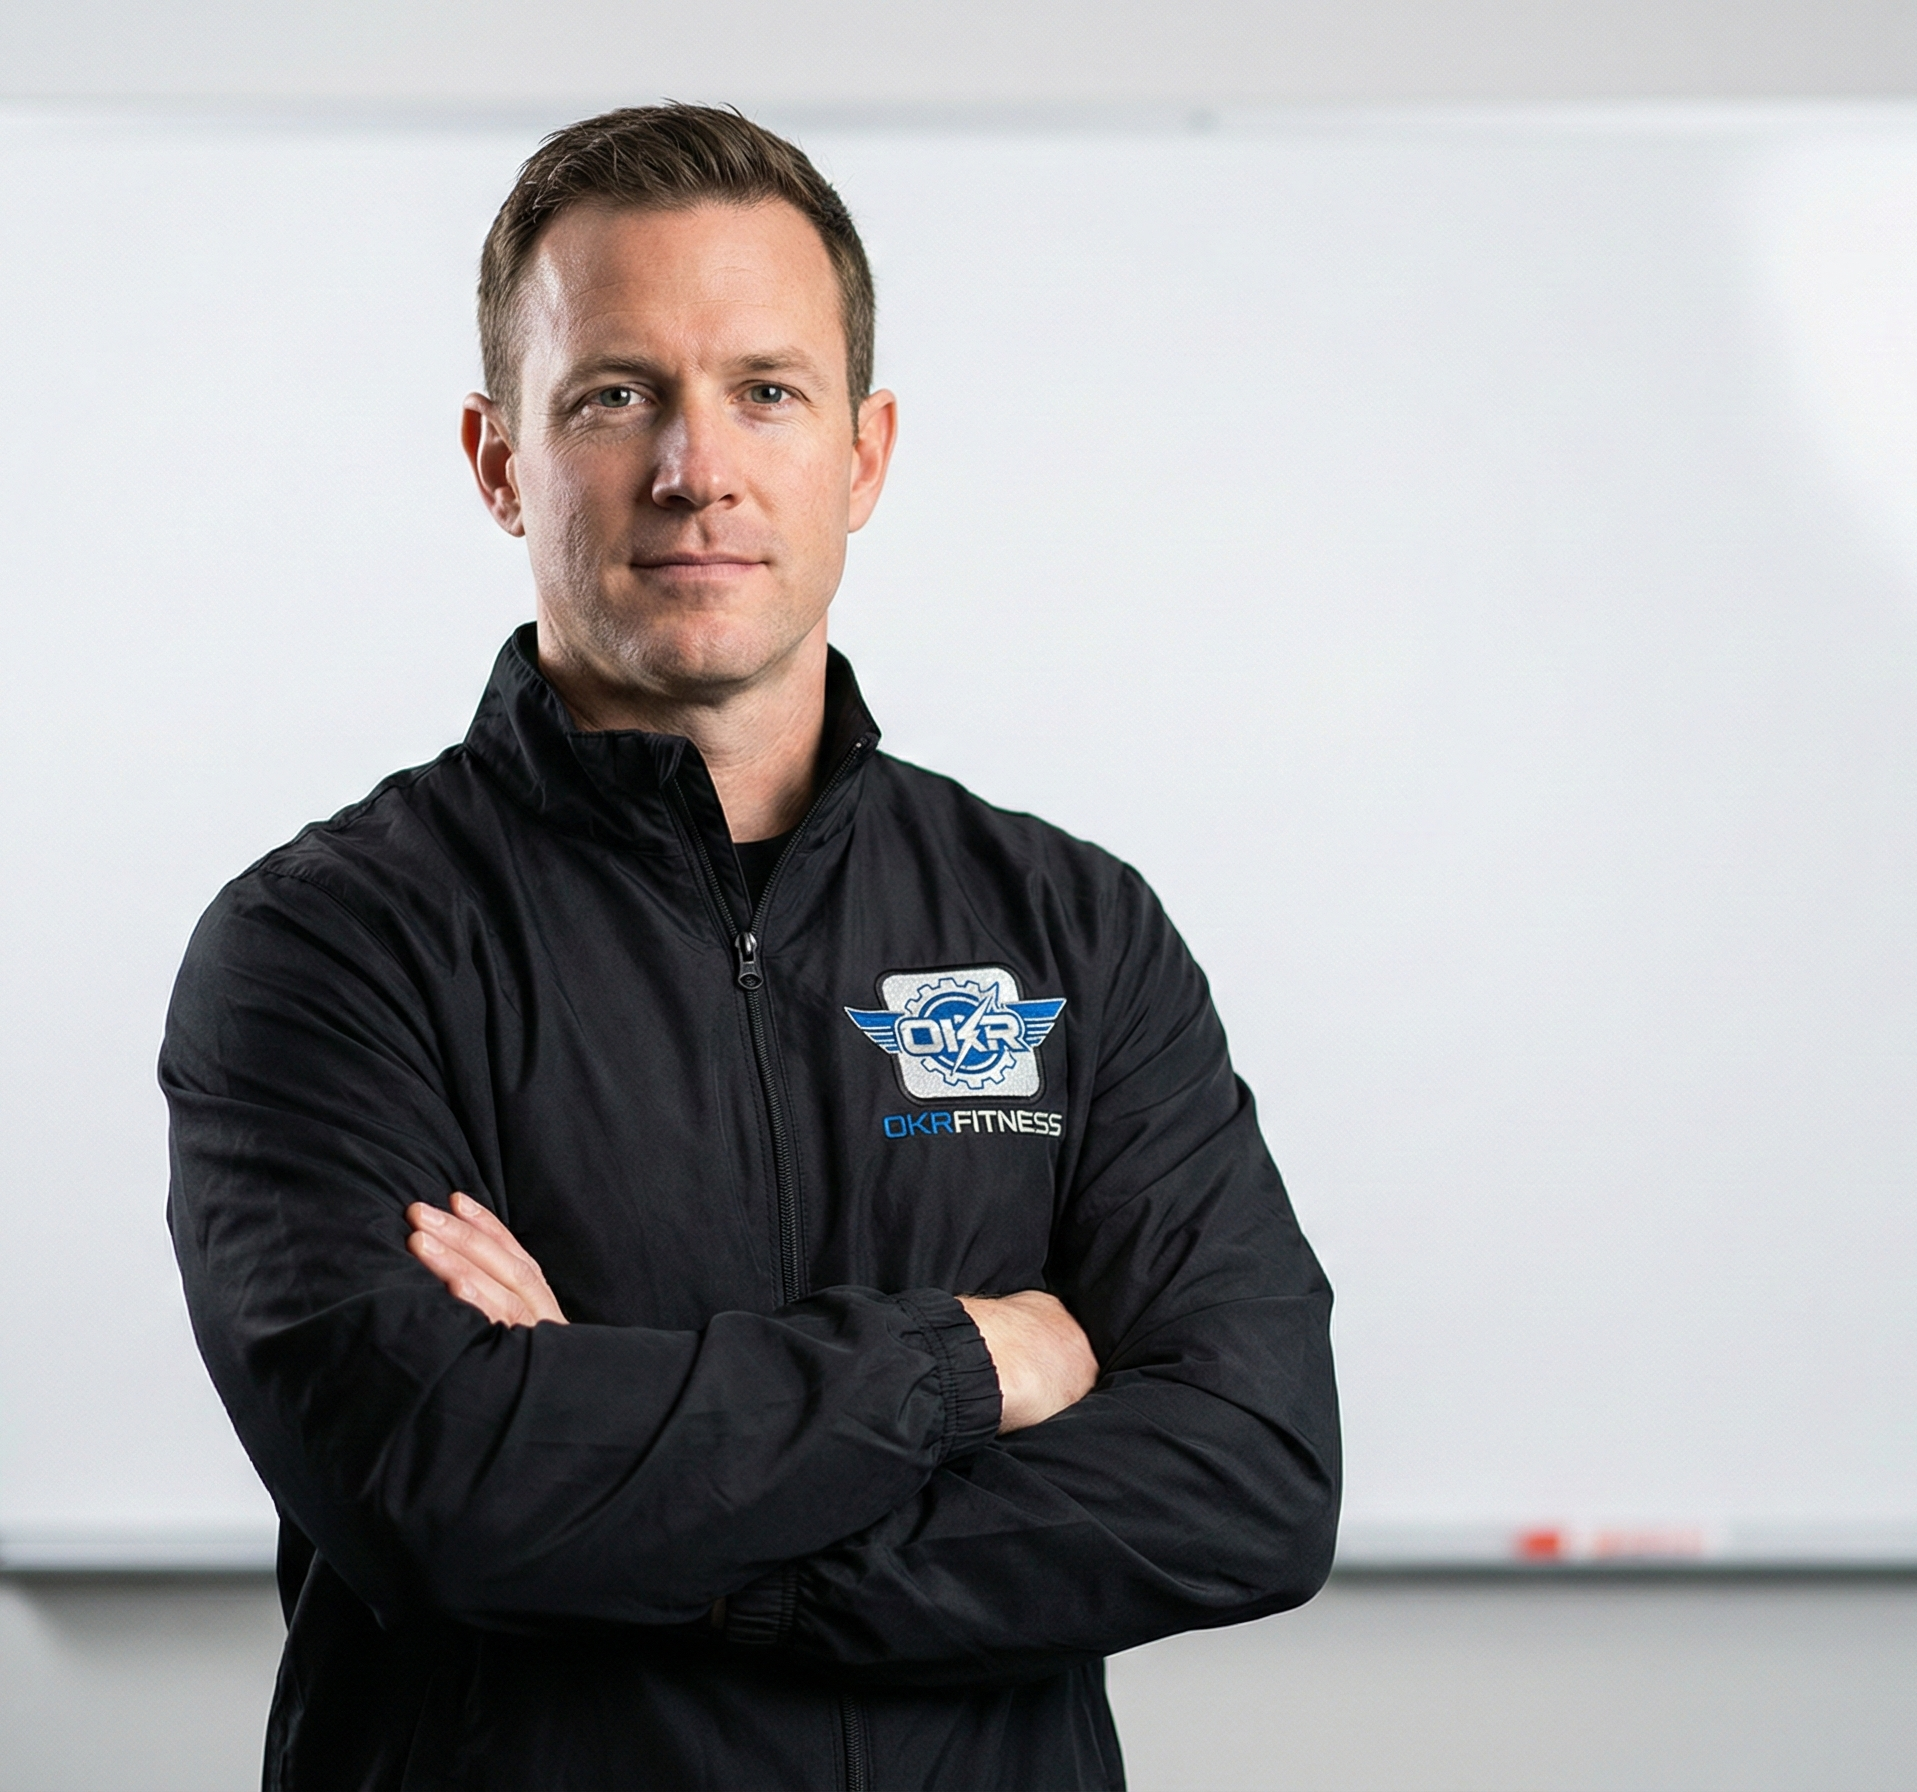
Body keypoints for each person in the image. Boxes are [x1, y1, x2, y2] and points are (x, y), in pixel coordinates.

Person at [162, 103, 1339, 1791]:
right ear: (499, 462)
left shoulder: (1071, 930)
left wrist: (672, 1527)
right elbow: (441, 1486)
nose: (694, 469)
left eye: (766, 392)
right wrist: (968, 1362)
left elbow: (1252, 1474)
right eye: (614, 395)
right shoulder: (328, 950)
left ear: (863, 454)